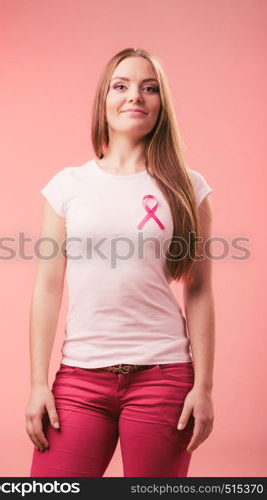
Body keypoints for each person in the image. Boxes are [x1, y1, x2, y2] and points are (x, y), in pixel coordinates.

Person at [26, 47, 215, 477]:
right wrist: (39, 383)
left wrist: (202, 387)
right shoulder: (67, 186)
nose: (136, 96)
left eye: (150, 88)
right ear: (104, 100)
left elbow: (199, 289)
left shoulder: (189, 187)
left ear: (161, 104)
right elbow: (47, 287)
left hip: (164, 380)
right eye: (122, 85)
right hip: (79, 380)